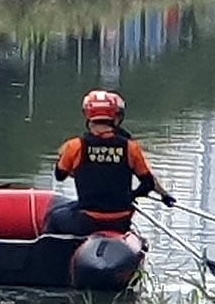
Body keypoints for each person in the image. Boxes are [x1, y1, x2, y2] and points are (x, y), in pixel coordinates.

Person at [46, 90, 175, 236]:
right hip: (121, 219)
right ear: (115, 116)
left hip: (88, 220)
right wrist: (132, 196)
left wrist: (79, 169)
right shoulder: (130, 147)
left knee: (53, 217)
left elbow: (60, 175)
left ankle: (52, 254)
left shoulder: (75, 146)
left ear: (88, 115)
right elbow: (148, 182)